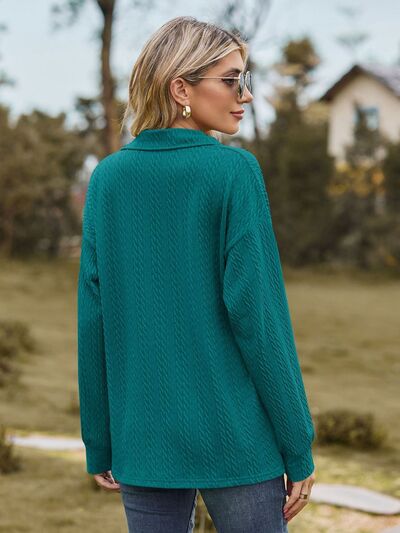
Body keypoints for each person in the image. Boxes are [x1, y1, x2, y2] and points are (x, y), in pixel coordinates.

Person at [77, 15, 316, 533]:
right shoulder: (234, 172)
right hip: (237, 436)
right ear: (180, 88)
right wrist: (298, 445)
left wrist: (99, 440)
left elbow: (94, 319)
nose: (245, 95)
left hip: (142, 440)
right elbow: (259, 319)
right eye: (230, 80)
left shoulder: (108, 179)